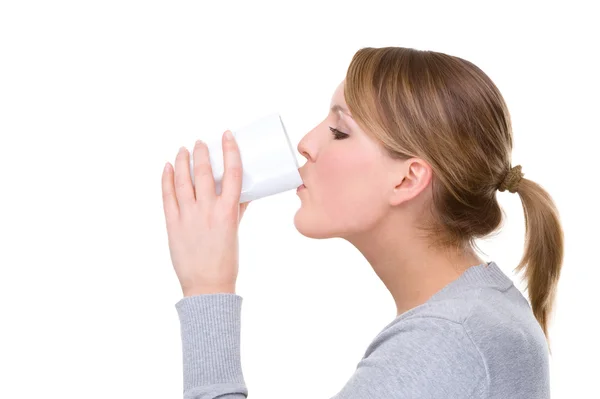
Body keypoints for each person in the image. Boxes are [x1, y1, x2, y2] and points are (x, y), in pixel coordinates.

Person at [166, 46, 564, 398]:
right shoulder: (477, 318)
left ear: (407, 179)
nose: (305, 142)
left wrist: (207, 288)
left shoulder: (447, 339)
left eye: (339, 131)